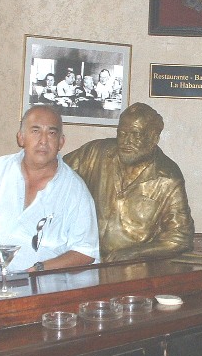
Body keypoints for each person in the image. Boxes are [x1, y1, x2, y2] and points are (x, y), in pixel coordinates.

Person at [0, 105, 99, 273]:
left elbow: (86, 252)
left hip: (43, 287)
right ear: (21, 138)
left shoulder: (75, 190)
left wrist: (40, 269)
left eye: (51, 133)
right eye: (35, 131)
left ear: (61, 142)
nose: (43, 140)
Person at [63, 103, 194, 262]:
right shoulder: (95, 152)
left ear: (153, 138)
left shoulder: (168, 179)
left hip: (133, 270)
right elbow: (57, 176)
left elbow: (180, 238)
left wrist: (134, 253)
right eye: (122, 133)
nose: (126, 141)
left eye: (136, 134)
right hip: (81, 260)